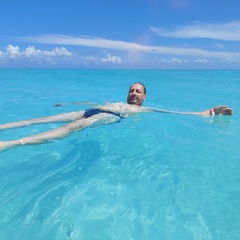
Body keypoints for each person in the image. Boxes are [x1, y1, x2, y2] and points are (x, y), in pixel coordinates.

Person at [0, 82, 233, 151]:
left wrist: (210, 112)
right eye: (131, 90)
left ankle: (10, 144)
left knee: (72, 128)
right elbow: (91, 103)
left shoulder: (144, 110)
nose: (133, 93)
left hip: (109, 117)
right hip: (93, 109)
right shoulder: (119, 101)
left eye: (138, 91)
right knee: (39, 120)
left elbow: (179, 113)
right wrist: (69, 103)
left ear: (144, 98)